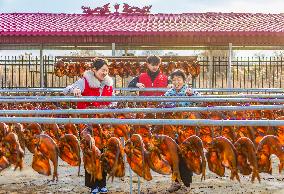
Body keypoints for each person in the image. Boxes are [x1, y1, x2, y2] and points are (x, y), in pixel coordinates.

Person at [63, 58, 113, 194]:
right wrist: (75, 90)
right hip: (87, 123)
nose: (105, 72)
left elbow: (111, 100)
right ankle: (93, 185)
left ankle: (102, 183)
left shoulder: (109, 84)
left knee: (102, 153)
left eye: (106, 70)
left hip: (103, 124)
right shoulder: (84, 81)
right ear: (94, 70)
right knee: (90, 152)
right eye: (102, 70)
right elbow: (67, 89)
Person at [164, 69, 200, 193]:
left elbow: (200, 101)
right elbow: (163, 106)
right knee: (173, 156)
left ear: (184, 81)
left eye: (179, 79)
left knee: (186, 156)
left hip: (186, 129)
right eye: (174, 79)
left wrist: (193, 95)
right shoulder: (169, 93)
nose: (176, 82)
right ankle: (175, 182)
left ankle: (186, 184)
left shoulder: (190, 92)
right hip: (173, 129)